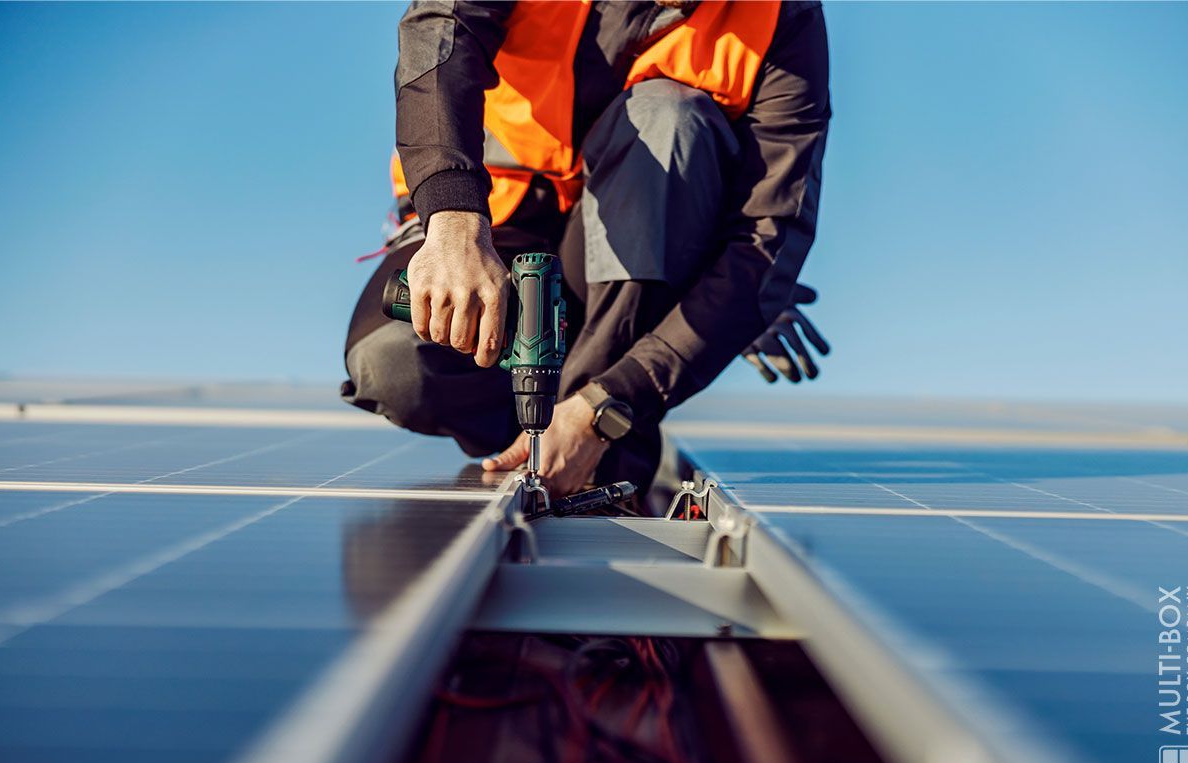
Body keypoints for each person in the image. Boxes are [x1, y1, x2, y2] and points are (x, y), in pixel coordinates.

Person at [342, 0, 832, 499]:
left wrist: (611, 403)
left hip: (632, 278)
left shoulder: (781, 15)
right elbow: (440, 29)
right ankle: (536, 438)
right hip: (494, 216)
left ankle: (602, 451)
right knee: (394, 367)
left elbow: (766, 235)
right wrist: (451, 218)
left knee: (666, 119)